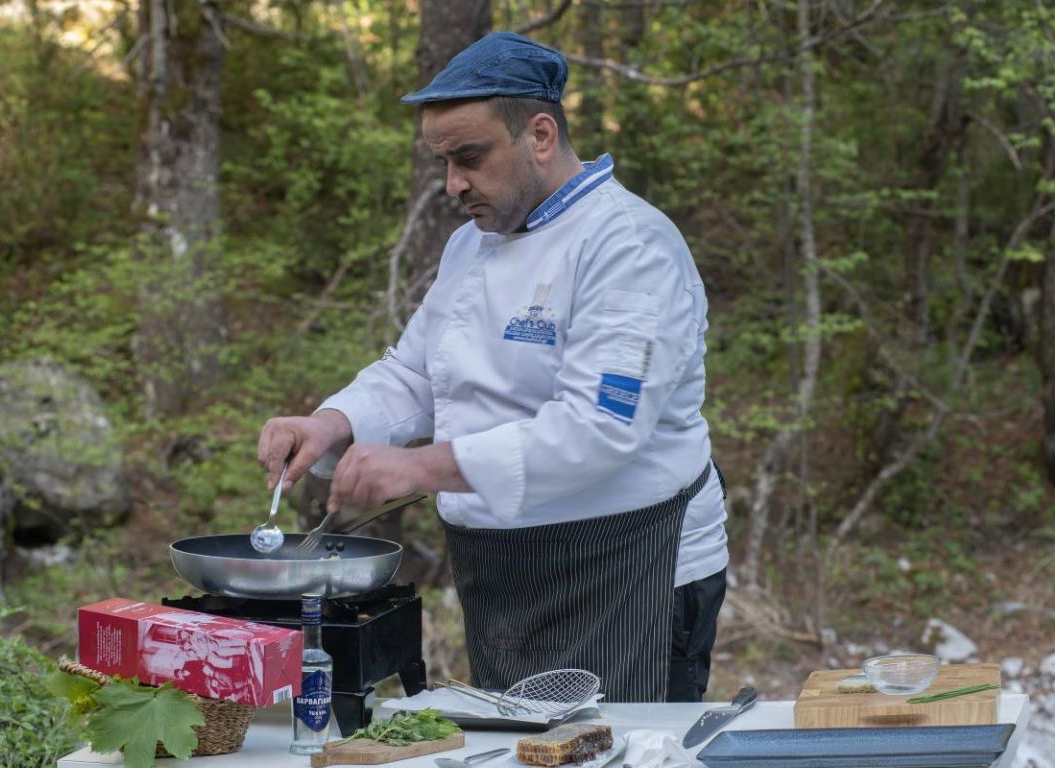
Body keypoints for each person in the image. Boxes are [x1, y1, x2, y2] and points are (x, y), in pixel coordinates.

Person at [258, 31, 728, 703]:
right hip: (503, 571)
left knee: (615, 747)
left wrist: (420, 467)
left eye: (469, 157)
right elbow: (417, 373)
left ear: (540, 135)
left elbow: (599, 428)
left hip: (628, 568)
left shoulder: (629, 246)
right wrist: (331, 423)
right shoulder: (472, 244)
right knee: (520, 746)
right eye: (443, 162)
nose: (453, 184)